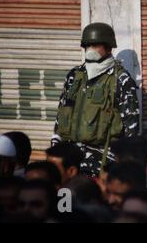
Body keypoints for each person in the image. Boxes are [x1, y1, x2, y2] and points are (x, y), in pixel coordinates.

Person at [53, 22, 140, 177]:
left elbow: (131, 127)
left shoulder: (120, 79)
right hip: (70, 161)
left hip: (103, 163)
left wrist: (124, 166)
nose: (90, 49)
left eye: (95, 45)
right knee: (65, 199)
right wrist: (55, 150)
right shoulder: (75, 76)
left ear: (108, 47)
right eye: (88, 45)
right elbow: (62, 114)